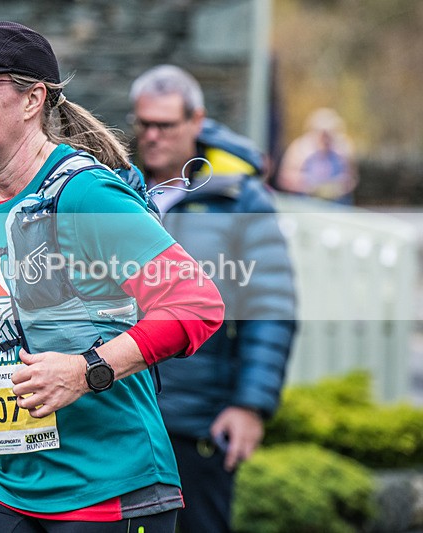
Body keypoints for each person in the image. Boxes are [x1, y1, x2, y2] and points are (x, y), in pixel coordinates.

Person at [0, 22, 225, 533]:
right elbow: (11, 347)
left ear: (32, 100)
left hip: (109, 490)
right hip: (3, 483)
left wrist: (85, 370)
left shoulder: (85, 195)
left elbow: (197, 305)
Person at [129, 64, 297, 533]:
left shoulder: (240, 198)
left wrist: (250, 406)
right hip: (120, 409)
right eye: (144, 123)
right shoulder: (119, 188)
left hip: (198, 420)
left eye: (166, 124)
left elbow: (271, 306)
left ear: (196, 121)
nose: (152, 135)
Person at [275, 107, 358, 204]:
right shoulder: (300, 149)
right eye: (323, 133)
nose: (325, 138)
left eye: (329, 133)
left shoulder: (342, 150)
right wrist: (309, 186)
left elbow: (352, 178)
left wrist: (337, 188)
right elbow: (284, 178)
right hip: (304, 203)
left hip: (336, 204)